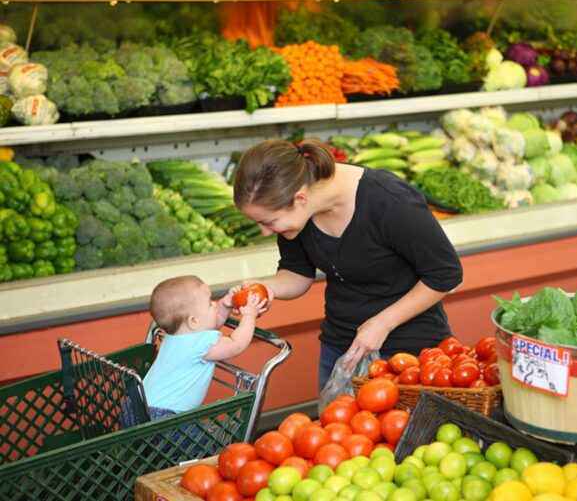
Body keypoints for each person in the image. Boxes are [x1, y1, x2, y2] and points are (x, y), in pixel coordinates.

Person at [233, 137, 463, 391]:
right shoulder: (296, 213)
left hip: (408, 352)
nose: (265, 232)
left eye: (269, 222)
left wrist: (383, 323)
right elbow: (297, 271)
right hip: (339, 346)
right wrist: (268, 288)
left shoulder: (389, 200)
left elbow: (445, 273)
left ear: (300, 199)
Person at [121, 275, 266, 426]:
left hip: (133, 407)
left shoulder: (174, 337)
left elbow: (208, 325)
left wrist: (225, 306)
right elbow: (236, 345)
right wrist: (249, 316)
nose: (215, 304)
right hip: (163, 418)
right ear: (193, 321)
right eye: (210, 303)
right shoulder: (200, 344)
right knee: (204, 439)